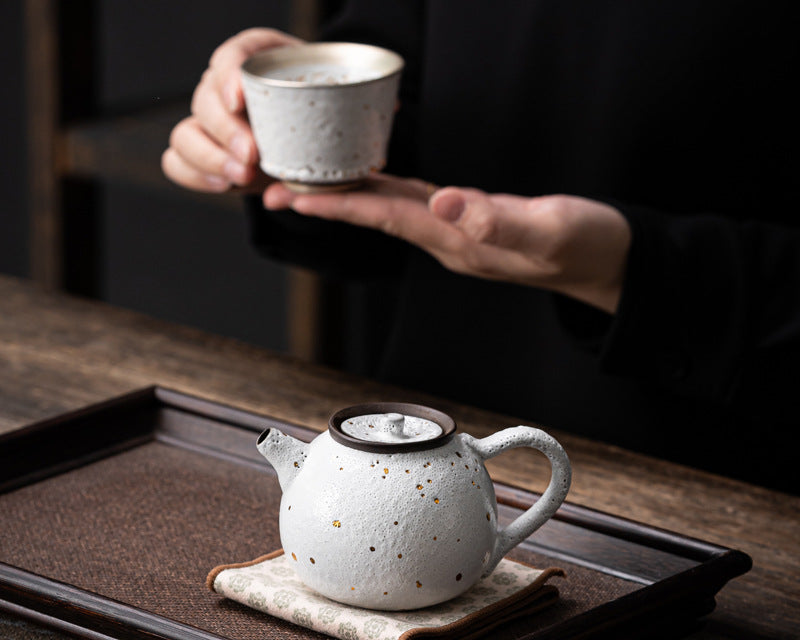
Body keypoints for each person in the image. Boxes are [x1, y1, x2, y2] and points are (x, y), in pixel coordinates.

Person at [162, 1, 800, 495]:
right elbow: (413, 108)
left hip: (724, 498)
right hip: (421, 459)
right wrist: (286, 127)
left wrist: (632, 272)